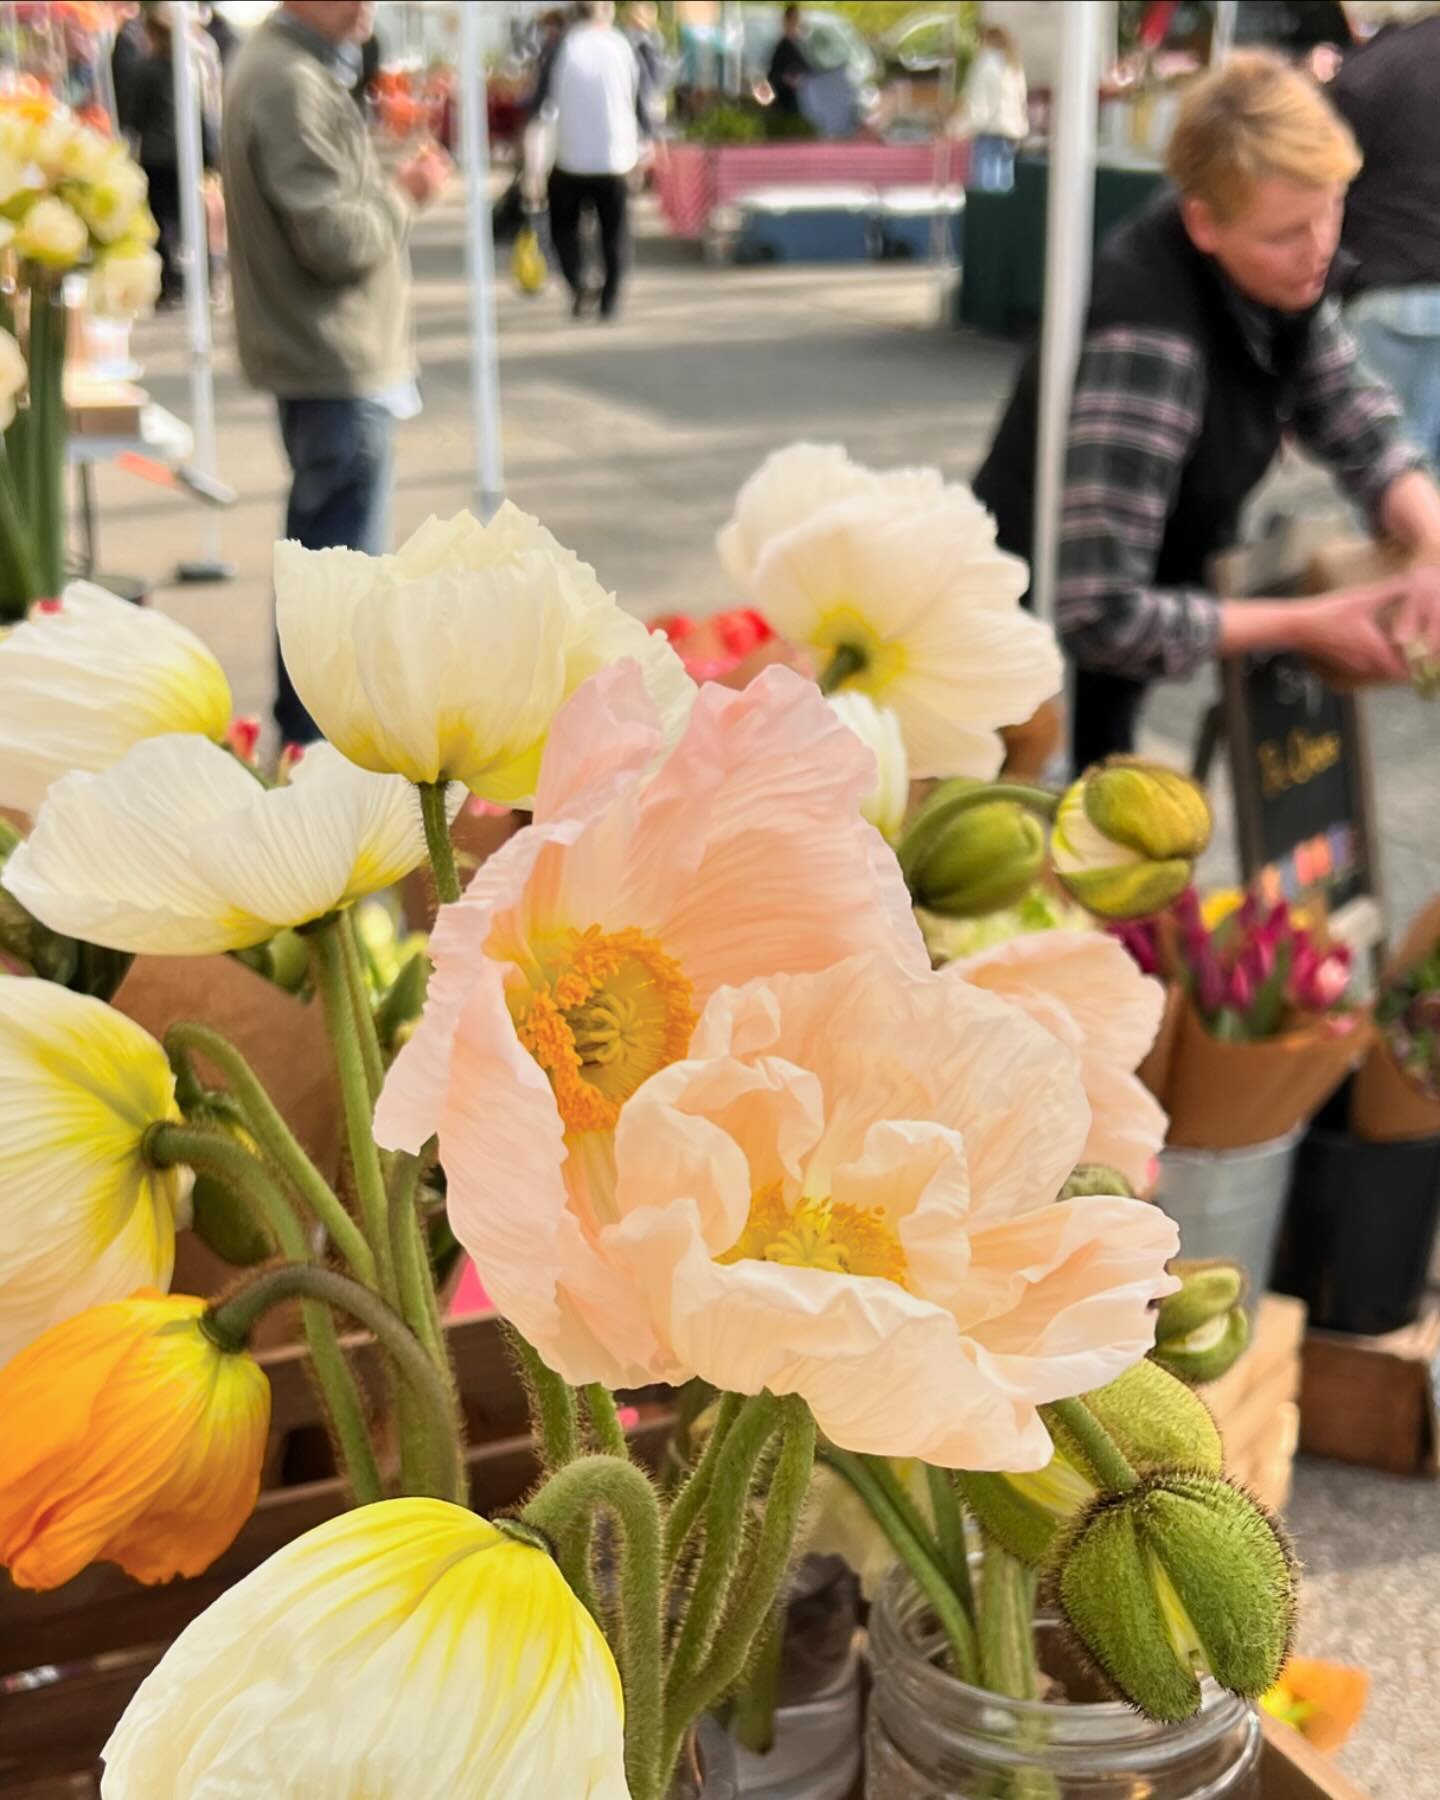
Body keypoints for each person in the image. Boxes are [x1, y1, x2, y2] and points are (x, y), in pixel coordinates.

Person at [973, 50, 1440, 772]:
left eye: (1330, 211)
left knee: (1111, 765)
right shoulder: (1150, 347)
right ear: (1203, 223)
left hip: (1142, 586)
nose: (1319, 251)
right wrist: (1306, 624)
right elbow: (1102, 615)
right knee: (1068, 788)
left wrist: (1432, 545)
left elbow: (1354, 417)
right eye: (1286, 234)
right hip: (1019, 649)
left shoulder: (1276, 269)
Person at [222, 0, 449, 743]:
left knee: (325, 562)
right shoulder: (289, 80)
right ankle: (316, 748)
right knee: (338, 577)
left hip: (324, 356)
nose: (368, 10)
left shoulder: (286, 70)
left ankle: (307, 740)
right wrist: (406, 194)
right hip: (332, 358)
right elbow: (338, 239)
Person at [1330, 5, 1440, 466]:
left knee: (1386, 481)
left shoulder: (1371, 73)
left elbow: (1321, 184)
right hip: (1402, 280)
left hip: (1386, 288)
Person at [538, 0, 647, 321]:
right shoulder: (623, 47)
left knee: (563, 229)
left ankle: (578, 280)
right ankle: (610, 301)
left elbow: (542, 105)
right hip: (616, 156)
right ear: (607, 11)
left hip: (570, 155)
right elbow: (639, 101)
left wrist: (532, 162)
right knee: (614, 233)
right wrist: (646, 147)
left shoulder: (562, 48)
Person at [130, 2, 221, 306]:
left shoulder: (147, 69)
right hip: (185, 154)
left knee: (162, 221)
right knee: (191, 218)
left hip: (157, 156)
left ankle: (170, 284)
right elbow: (201, 114)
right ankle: (204, 280)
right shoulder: (187, 68)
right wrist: (209, 156)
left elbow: (135, 115)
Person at [959, 24, 1028, 194]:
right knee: (1004, 185)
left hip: (989, 130)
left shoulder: (985, 63)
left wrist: (963, 127)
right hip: (1010, 131)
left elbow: (978, 102)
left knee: (984, 188)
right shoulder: (1013, 65)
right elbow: (1021, 99)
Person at [767, 3, 811, 118]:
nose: (795, 24)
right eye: (792, 20)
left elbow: (810, 69)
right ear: (786, 21)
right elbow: (774, 75)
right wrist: (788, 79)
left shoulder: (801, 45)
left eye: (796, 20)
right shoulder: (782, 47)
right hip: (786, 103)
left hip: (802, 102)